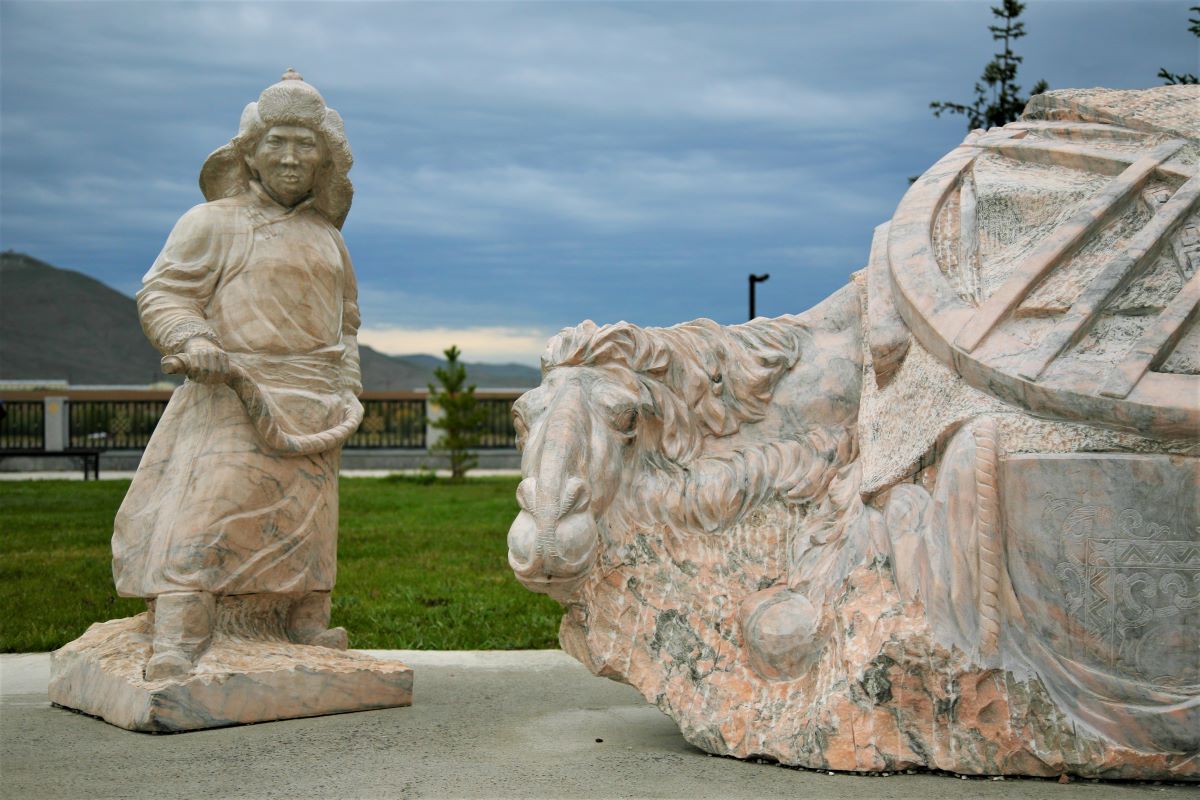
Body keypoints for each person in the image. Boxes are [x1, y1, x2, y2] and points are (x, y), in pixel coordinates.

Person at [112, 70, 362, 680]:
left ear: (324, 160)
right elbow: (165, 293)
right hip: (233, 393)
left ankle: (300, 621)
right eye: (278, 142)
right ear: (249, 152)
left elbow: (347, 320)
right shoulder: (212, 223)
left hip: (315, 403)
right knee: (208, 516)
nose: (291, 157)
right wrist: (194, 339)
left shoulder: (328, 239)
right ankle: (179, 635)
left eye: (306, 145)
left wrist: (347, 382)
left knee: (305, 524)